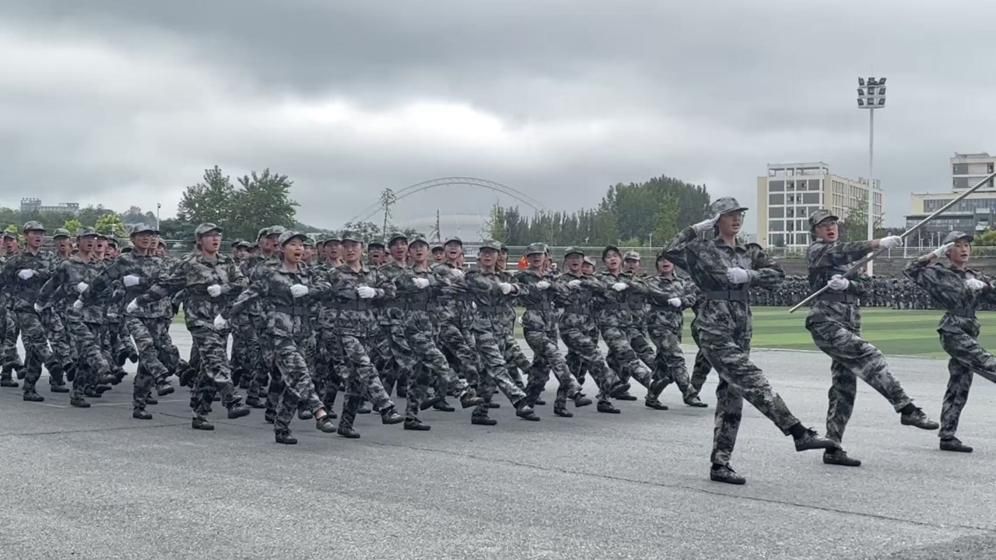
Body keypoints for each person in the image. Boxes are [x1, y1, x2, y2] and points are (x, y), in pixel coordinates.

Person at [663, 197, 837, 485]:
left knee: (732, 395)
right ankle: (798, 432)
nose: (736, 219)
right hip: (713, 325)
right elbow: (669, 250)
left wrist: (749, 275)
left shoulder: (750, 251)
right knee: (751, 378)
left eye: (739, 215)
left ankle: (720, 464)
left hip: (741, 325)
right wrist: (695, 229)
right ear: (716, 220)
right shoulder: (701, 249)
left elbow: (777, 276)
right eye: (729, 215)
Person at [806, 209, 938, 467]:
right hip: (825, 322)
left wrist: (849, 285)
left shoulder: (848, 264)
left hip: (850, 322)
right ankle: (906, 408)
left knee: (844, 387)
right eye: (824, 225)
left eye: (833, 223)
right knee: (870, 355)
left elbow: (866, 289)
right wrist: (877, 243)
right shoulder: (817, 251)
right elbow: (842, 251)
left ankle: (833, 447)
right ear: (815, 232)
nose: (830, 228)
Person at [131, 223, 252, 430]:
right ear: (199, 240)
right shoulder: (189, 263)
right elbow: (167, 286)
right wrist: (140, 301)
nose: (215, 239)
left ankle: (200, 412)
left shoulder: (227, 262)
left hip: (222, 321)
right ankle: (232, 400)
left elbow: (243, 284)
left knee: (208, 369)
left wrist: (223, 288)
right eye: (210, 236)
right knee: (217, 359)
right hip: (199, 320)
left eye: (217, 235)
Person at [224, 230, 337, 444]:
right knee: (299, 373)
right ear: (282, 248)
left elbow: (326, 288)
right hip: (278, 332)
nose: (298, 248)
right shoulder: (271, 272)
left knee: (293, 383)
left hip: (304, 333)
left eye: (301, 245)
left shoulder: (308, 272)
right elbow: (249, 294)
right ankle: (319, 412)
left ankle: (282, 426)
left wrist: (308, 290)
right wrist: (225, 315)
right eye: (293, 244)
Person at [905, 231, 996, 453]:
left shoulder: (977, 276)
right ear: (948, 251)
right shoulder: (937, 274)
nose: (964, 249)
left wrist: (987, 288)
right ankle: (947, 434)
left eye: (966, 245)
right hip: (953, 330)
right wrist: (933, 255)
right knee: (988, 363)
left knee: (959, 385)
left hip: (970, 329)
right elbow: (910, 269)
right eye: (958, 245)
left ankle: (947, 436)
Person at [325, 232, 404, 438]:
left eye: (355, 246)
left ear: (362, 249)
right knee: (365, 367)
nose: (350, 250)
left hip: (369, 331)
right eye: (346, 246)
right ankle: (386, 407)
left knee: (357, 379)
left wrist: (375, 292)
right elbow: (320, 294)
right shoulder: (334, 275)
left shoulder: (373, 274)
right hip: (345, 331)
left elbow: (392, 291)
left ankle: (346, 424)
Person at [517, 242, 591, 417]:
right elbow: (518, 292)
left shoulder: (552, 277)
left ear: (546, 257)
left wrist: (553, 286)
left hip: (550, 325)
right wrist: (535, 287)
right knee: (554, 354)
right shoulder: (522, 277)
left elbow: (564, 296)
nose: (536, 257)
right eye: (532, 255)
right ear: (527, 258)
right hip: (533, 325)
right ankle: (574, 390)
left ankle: (526, 405)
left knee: (540, 370)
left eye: (539, 254)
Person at [0, 221, 69, 401]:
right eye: (34, 233)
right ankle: (53, 365)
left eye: (41, 233)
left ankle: (29, 388)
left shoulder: (50, 257)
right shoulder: (16, 260)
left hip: (46, 307)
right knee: (38, 339)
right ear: (25, 235)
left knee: (42, 347)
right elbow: (3, 281)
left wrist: (35, 273)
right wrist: (16, 281)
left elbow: (58, 275)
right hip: (25, 309)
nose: (38, 236)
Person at [644, 253, 707, 408]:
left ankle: (652, 395)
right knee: (676, 357)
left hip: (675, 326)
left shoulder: (683, 282)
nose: (665, 262)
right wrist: (668, 299)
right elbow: (651, 294)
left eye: (668, 260)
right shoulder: (650, 281)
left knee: (663, 366)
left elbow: (692, 297)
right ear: (657, 264)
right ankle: (689, 394)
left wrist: (682, 301)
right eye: (661, 260)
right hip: (658, 325)